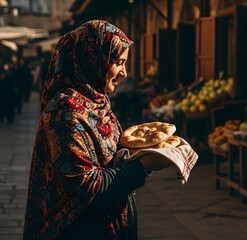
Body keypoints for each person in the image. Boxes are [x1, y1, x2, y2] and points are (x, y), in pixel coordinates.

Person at [23, 20, 167, 240]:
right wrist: (143, 166)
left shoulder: (98, 105)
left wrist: (145, 153)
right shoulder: (66, 112)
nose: (124, 73)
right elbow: (86, 188)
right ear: (93, 60)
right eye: (119, 62)